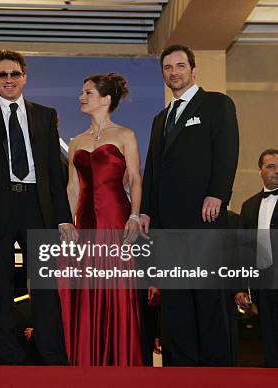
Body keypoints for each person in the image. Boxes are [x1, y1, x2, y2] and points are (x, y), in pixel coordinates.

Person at [0, 50, 74, 365]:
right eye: (2, 75)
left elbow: (55, 171)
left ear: (24, 77)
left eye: (14, 74)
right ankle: (10, 359)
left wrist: (64, 218)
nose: (9, 80)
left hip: (37, 207)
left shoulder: (45, 115)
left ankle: (52, 356)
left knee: (45, 286)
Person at [140, 44, 239, 366]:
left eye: (180, 66)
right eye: (168, 67)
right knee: (177, 301)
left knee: (209, 298)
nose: (174, 72)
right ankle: (185, 371)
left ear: (193, 70)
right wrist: (148, 214)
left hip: (204, 218)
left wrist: (218, 193)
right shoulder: (161, 118)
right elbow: (153, 170)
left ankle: (218, 371)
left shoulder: (216, 104)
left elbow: (226, 152)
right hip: (168, 225)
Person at [60, 73, 149, 366]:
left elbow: (135, 178)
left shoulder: (125, 135)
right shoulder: (76, 142)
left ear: (106, 99)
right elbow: (73, 186)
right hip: (84, 225)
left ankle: (121, 362)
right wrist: (66, 221)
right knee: (87, 290)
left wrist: (135, 215)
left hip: (116, 220)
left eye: (88, 93)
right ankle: (88, 363)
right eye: (82, 92)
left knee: (116, 290)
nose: (81, 97)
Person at [235, 148, 278, 367]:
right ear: (260, 171)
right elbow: (242, 250)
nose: (276, 171)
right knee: (269, 336)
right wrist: (241, 286)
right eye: (271, 166)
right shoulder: (248, 206)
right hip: (264, 282)